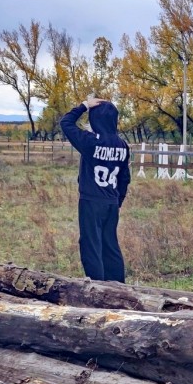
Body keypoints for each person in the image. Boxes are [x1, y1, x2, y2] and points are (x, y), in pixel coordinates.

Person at [60, 97, 130, 282]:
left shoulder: (90, 142)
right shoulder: (122, 145)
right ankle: (118, 286)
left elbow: (66, 122)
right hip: (111, 202)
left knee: (91, 246)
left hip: (91, 201)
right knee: (110, 245)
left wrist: (83, 105)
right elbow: (125, 177)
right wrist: (118, 200)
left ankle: (98, 288)